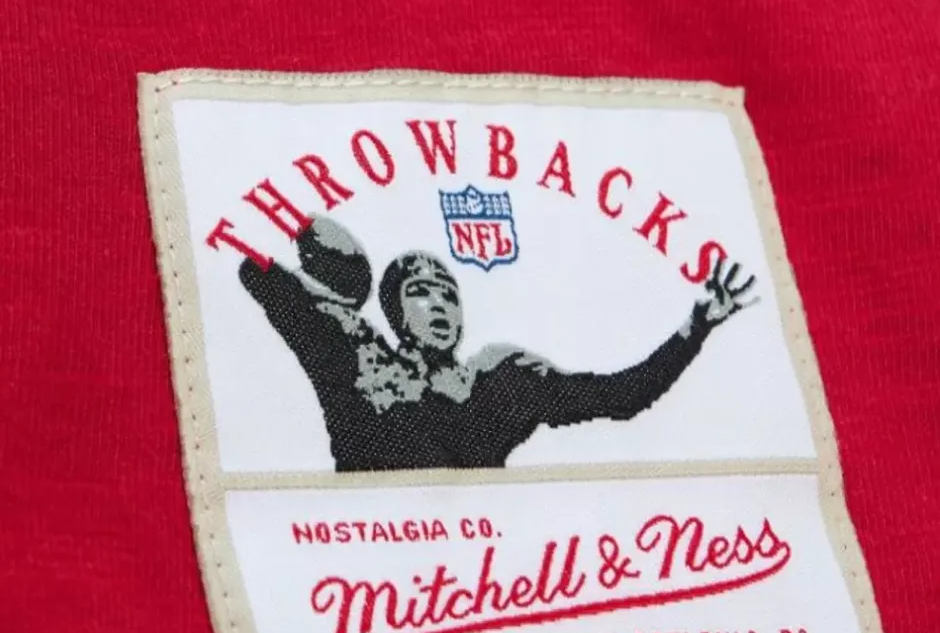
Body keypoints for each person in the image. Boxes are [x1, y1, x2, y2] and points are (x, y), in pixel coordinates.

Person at [238, 215, 757, 472]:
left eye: (449, 295)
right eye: (420, 293)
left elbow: (623, 396)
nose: (440, 305)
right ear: (394, 311)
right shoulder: (359, 360)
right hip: (364, 559)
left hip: (477, 561)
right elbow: (257, 271)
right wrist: (331, 278)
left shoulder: (499, 381)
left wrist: (696, 327)